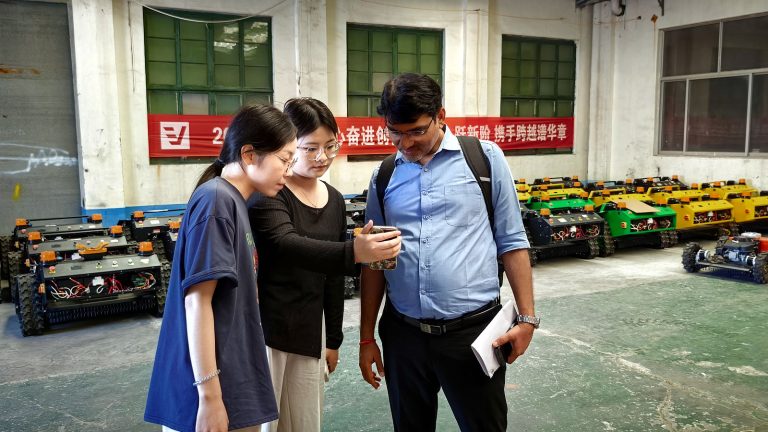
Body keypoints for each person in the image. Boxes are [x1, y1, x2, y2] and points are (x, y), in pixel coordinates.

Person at [358, 73, 538, 432]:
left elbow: (512, 242)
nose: (405, 143)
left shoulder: (484, 160)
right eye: (395, 133)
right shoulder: (385, 175)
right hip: (404, 336)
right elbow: (375, 260)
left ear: (440, 116)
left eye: (416, 131)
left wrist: (527, 319)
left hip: (472, 334)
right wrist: (366, 337)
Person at [248, 97, 401, 432]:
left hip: (310, 329)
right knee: (264, 423)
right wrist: (354, 252)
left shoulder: (333, 200)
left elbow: (332, 276)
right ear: (288, 145)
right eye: (310, 148)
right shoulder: (269, 193)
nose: (322, 157)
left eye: (330, 146)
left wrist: (332, 339)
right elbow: (285, 244)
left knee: (305, 422)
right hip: (267, 330)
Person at [144, 104, 298, 432]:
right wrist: (210, 398)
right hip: (207, 394)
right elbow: (197, 301)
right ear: (249, 154)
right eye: (285, 159)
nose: (288, 170)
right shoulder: (216, 202)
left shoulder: (234, 201)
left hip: (231, 382)